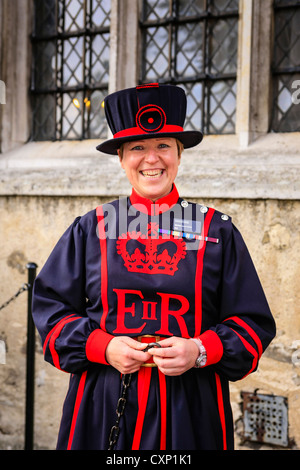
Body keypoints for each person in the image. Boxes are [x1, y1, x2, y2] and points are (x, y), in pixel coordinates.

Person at [32, 83, 276, 451]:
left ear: (179, 154)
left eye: (164, 145)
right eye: (137, 148)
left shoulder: (216, 230)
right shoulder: (90, 227)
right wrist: (102, 346)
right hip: (103, 400)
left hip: (191, 405)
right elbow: (50, 310)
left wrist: (200, 349)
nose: (152, 159)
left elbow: (252, 323)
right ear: (121, 158)